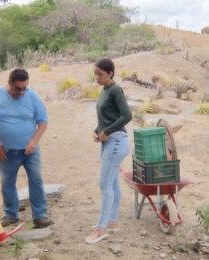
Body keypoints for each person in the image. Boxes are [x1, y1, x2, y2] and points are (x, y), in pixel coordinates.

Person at [0, 68, 54, 229]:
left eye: (24, 88)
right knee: (7, 183)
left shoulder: (33, 97)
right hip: (7, 152)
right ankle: (10, 215)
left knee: (36, 180)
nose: (21, 92)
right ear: (9, 84)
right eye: (17, 88)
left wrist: (34, 141)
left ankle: (40, 216)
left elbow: (43, 121)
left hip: (30, 151)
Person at [85, 58, 132, 244]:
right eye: (95, 74)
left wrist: (108, 131)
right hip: (109, 141)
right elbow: (107, 118)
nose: (97, 77)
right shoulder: (105, 91)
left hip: (117, 141)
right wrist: (97, 131)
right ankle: (111, 221)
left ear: (111, 73)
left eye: (100, 74)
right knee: (112, 183)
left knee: (105, 184)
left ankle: (101, 228)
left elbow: (127, 115)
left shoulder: (115, 90)